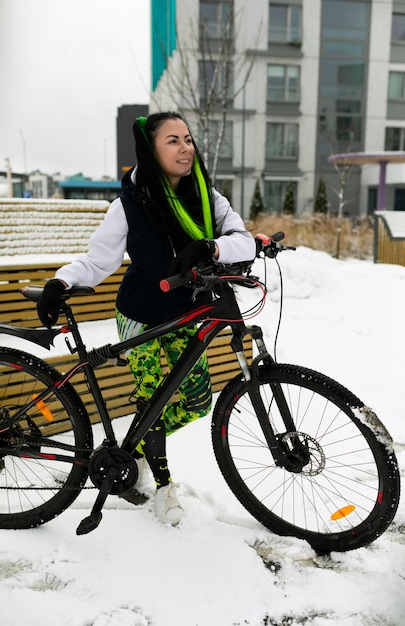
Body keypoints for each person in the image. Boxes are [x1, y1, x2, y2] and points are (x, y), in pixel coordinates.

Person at [37, 112, 256, 525]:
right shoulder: (129, 204)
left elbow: (241, 242)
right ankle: (163, 486)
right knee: (152, 402)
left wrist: (210, 248)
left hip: (186, 312)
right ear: (151, 150)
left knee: (196, 402)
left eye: (188, 139)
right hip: (140, 315)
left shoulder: (208, 198)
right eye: (173, 140)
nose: (185, 147)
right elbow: (98, 260)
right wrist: (60, 282)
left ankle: (133, 447)